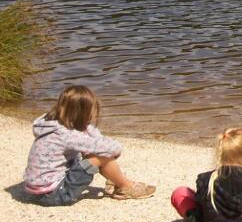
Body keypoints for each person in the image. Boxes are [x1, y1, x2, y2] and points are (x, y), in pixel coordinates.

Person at [22, 85, 155, 205]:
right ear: (83, 113)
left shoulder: (53, 125)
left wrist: (87, 130)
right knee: (101, 156)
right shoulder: (68, 136)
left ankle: (114, 179)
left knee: (92, 151)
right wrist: (111, 150)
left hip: (37, 190)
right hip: (55, 194)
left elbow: (94, 141)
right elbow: (113, 148)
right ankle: (126, 186)